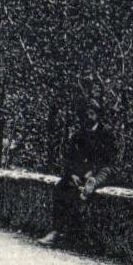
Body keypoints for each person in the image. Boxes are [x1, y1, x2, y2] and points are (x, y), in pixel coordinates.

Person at [39, 83, 117, 248]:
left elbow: (109, 163)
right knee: (60, 188)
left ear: (98, 116)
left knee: (83, 194)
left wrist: (93, 177)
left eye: (92, 114)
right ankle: (57, 231)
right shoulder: (78, 135)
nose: (88, 117)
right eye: (85, 114)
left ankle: (74, 238)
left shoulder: (107, 136)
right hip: (78, 175)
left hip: (97, 174)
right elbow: (70, 159)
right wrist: (72, 174)